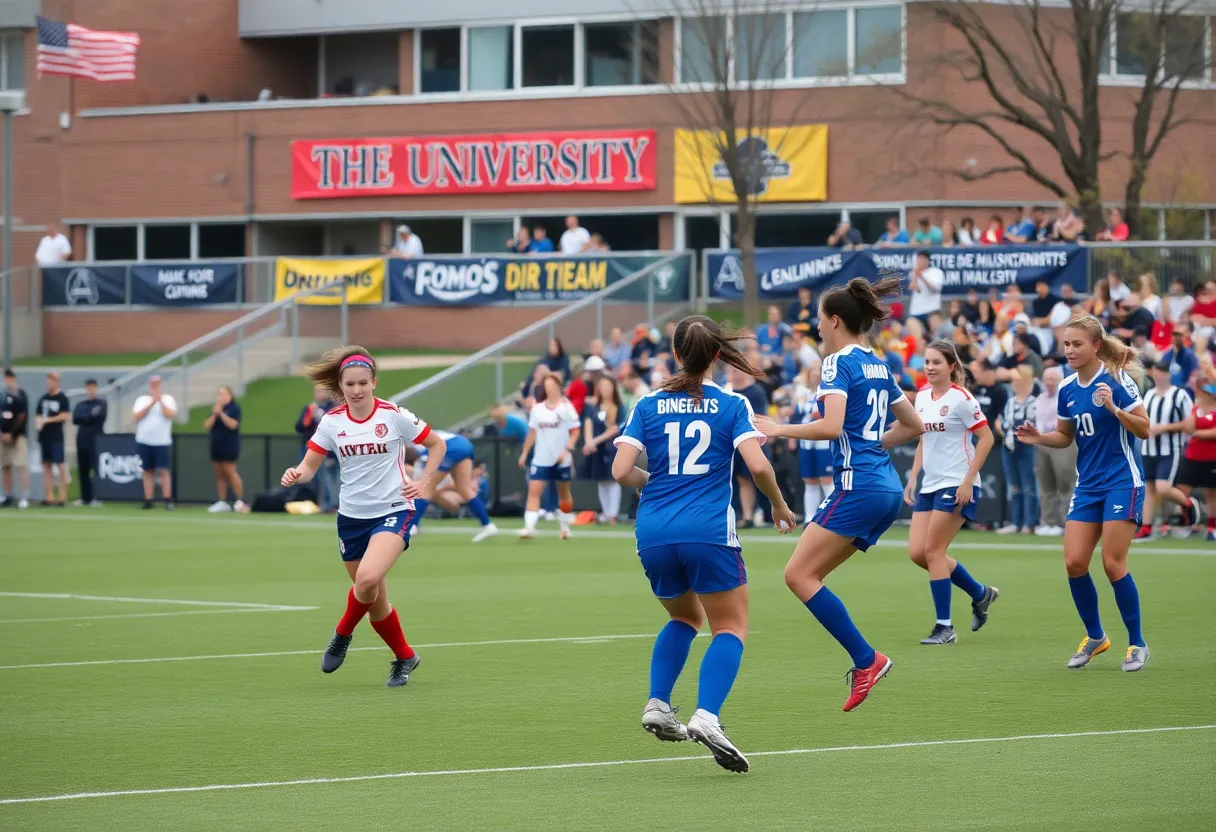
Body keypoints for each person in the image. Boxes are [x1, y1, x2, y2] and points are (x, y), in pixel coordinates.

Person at [612, 315, 794, 772]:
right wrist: (777, 505)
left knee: (685, 617)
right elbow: (759, 467)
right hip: (709, 530)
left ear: (675, 354)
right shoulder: (731, 404)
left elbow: (619, 471)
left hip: (653, 531)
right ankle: (707, 716)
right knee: (730, 626)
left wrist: (655, 483)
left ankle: (657, 701)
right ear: (717, 356)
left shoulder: (648, 404)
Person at [754, 276, 925, 712]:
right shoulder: (877, 362)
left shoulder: (836, 364)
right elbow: (914, 426)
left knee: (798, 576)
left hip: (859, 484)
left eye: (817, 321)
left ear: (834, 320)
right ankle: (867, 660)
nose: (815, 329)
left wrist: (778, 428)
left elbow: (831, 426)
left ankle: (868, 660)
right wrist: (872, 445)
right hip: (883, 486)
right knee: (809, 576)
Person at [281, 347, 446, 687]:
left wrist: (423, 481)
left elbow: (437, 444)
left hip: (394, 510)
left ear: (374, 383)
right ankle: (405, 657)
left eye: (362, 383)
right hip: (351, 517)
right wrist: (296, 474)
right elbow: (309, 467)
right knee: (373, 599)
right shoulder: (331, 421)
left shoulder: (393, 414)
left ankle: (341, 635)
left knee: (366, 580)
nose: (356, 390)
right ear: (340, 387)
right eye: (349, 384)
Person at [1015, 315, 1152, 672]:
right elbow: (1066, 436)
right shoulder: (1066, 388)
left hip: (1123, 480)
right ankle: (1096, 637)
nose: (1070, 350)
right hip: (1088, 485)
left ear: (1095, 345)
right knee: (1075, 562)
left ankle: (1137, 643)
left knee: (1111, 563)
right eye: (1066, 344)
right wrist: (1039, 437)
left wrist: (1114, 407)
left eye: (1077, 344)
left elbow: (1145, 429)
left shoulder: (1117, 380)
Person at [904, 341, 998, 644]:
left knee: (934, 551)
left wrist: (968, 480)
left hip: (957, 482)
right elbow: (922, 439)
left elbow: (986, 439)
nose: (930, 367)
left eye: (936, 362)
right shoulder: (920, 397)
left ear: (951, 366)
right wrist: (913, 476)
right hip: (931, 484)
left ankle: (945, 627)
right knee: (919, 553)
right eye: (927, 362)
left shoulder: (962, 399)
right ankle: (980, 593)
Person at [1136, 360, 1197, 540]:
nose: (1159, 375)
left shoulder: (1179, 395)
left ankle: (1187, 504)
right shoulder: (1148, 395)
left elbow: (1189, 425)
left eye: (1163, 372)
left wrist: (1164, 428)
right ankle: (1146, 528)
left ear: (1169, 374)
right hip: (1149, 448)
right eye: (1157, 372)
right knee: (1148, 488)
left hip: (1169, 448)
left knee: (1163, 488)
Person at [518, 373, 581, 539]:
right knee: (534, 490)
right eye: (547, 386)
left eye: (553, 386)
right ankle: (529, 528)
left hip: (562, 458)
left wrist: (566, 450)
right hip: (541, 458)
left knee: (564, 492)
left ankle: (565, 527)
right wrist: (525, 452)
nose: (550, 389)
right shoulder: (538, 409)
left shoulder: (566, 408)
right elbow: (532, 432)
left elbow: (575, 432)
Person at [409, 429, 499, 543]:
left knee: (426, 488)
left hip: (451, 448)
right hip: (464, 444)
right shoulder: (421, 434)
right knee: (464, 489)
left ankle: (412, 526)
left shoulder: (416, 442)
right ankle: (488, 526)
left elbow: (428, 460)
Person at [995, 366, 1039, 534]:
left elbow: (1030, 424)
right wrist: (1005, 430)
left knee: (1028, 485)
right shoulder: (1010, 401)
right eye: (1013, 380)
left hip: (1026, 446)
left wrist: (1010, 429)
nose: (1014, 384)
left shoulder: (1033, 402)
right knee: (1013, 485)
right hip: (1009, 445)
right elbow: (1001, 422)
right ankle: (1015, 521)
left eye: (1017, 380)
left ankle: (1029, 522)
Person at [789, 362, 833, 524]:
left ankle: (831, 517)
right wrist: (792, 438)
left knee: (827, 479)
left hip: (824, 442)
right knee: (810, 480)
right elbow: (795, 417)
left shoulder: (830, 392)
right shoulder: (803, 394)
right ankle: (810, 518)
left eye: (819, 372)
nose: (815, 375)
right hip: (807, 442)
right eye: (813, 372)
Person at [1033, 367, 1074, 536]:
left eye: (1053, 380)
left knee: (1066, 482)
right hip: (1042, 442)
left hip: (1062, 442)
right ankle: (1049, 522)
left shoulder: (1066, 396)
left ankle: (1067, 522)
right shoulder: (1040, 398)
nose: (1050, 383)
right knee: (1046, 482)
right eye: (1047, 380)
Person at [728, 363, 770, 528]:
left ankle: (770, 511)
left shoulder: (755, 391)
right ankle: (747, 515)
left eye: (738, 370)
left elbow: (758, 417)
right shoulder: (728, 392)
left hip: (752, 439)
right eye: (733, 370)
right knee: (742, 478)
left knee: (760, 475)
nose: (735, 374)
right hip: (734, 441)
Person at [1177, 382, 1216, 541]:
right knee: (1181, 489)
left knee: (1211, 493)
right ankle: (1188, 522)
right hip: (1192, 456)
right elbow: (1188, 428)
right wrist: (1193, 411)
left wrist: (1196, 433)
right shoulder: (1195, 408)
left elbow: (1214, 433)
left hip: (1212, 457)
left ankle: (1212, 528)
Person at [583, 375, 625, 524]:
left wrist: (595, 441)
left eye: (608, 385)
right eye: (602, 386)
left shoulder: (619, 406)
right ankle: (606, 513)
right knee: (601, 480)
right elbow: (588, 423)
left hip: (611, 447)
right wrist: (589, 442)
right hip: (597, 450)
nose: (605, 389)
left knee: (612, 480)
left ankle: (613, 514)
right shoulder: (593, 406)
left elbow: (614, 429)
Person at [132, 375, 177, 510]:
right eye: (153, 384)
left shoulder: (168, 399)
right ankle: (148, 499)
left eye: (157, 384)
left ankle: (168, 499)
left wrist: (160, 401)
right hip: (144, 440)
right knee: (147, 470)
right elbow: (136, 416)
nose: (155, 387)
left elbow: (170, 414)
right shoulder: (142, 400)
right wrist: (151, 403)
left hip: (161, 441)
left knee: (163, 470)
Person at [295, 385, 338, 512]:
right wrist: (309, 417)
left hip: (329, 450)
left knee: (331, 480)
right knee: (318, 479)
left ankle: (331, 504)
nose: (319, 393)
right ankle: (322, 503)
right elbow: (299, 427)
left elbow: (333, 431)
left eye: (322, 390)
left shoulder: (333, 408)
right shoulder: (311, 408)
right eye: (317, 391)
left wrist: (331, 455)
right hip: (311, 448)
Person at [204, 386, 245, 513]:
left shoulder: (234, 409)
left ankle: (239, 500)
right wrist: (215, 414)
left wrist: (221, 414)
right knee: (220, 474)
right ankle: (222, 502)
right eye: (219, 394)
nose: (221, 397)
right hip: (216, 445)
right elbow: (207, 425)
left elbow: (233, 425)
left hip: (229, 445)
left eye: (224, 394)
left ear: (230, 395)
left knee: (230, 471)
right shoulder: (215, 409)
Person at [34, 373, 71, 506]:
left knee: (60, 466)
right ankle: (48, 497)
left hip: (56, 437)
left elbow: (64, 415)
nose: (49, 384)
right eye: (47, 381)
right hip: (45, 437)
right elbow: (37, 415)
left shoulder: (62, 398)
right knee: (47, 466)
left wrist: (48, 420)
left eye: (51, 381)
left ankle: (62, 497)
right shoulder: (43, 398)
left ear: (57, 382)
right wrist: (38, 422)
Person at [72, 379, 107, 507]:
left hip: (96, 440)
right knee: (83, 470)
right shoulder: (81, 404)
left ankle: (96, 496)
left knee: (96, 469)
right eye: (89, 387)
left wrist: (86, 417)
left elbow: (100, 417)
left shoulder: (101, 403)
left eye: (93, 387)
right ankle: (84, 497)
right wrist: (90, 416)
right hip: (82, 440)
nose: (91, 390)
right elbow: (76, 419)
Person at [0, 369, 29, 508]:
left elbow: (22, 417)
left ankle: (24, 496)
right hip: (2, 438)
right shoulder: (2, 396)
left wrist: (12, 433)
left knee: (20, 466)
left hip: (17, 437)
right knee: (5, 466)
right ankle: (8, 495)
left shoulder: (20, 395)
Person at [907, 250, 944, 327]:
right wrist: (916, 276)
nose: (920, 261)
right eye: (918, 259)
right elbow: (915, 288)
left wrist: (921, 276)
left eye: (922, 259)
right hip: (916, 310)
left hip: (931, 310)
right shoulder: (912, 273)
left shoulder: (936, 272)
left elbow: (935, 289)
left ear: (927, 260)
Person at [1160, 324, 1198, 391]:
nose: (1176, 338)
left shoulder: (1189, 355)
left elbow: (1193, 377)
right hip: (1168, 390)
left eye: (1179, 335)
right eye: (1174, 335)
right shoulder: (1167, 355)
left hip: (1184, 391)